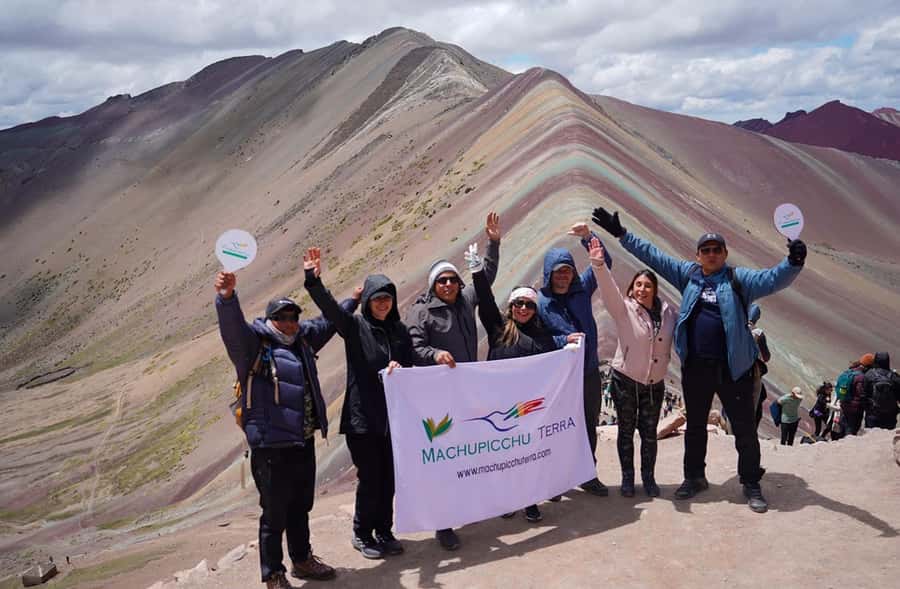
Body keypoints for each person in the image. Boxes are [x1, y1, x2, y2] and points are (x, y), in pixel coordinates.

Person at [592, 206, 805, 513]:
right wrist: (622, 234)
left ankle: (751, 483)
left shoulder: (739, 280)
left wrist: (794, 261)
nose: (711, 254)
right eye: (705, 250)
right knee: (694, 427)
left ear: (725, 253)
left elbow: (773, 279)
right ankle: (694, 477)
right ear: (698, 256)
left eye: (717, 249)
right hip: (696, 368)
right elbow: (653, 256)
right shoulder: (688, 275)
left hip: (734, 369)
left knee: (744, 429)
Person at [215, 271, 358, 588]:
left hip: (302, 441)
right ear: (270, 319)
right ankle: (273, 573)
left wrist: (354, 300)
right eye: (281, 317)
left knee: (300, 505)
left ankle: (302, 559)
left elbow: (327, 323)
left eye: (293, 316)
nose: (289, 322)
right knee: (274, 512)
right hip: (270, 446)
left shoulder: (303, 340)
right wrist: (227, 299)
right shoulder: (253, 346)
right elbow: (233, 331)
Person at [303, 247, 413, 560]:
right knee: (371, 478)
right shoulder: (354, 327)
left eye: (387, 298)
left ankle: (384, 531)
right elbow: (329, 308)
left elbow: (410, 363)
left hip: (392, 421)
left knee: (390, 477)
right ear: (367, 302)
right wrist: (313, 279)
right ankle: (362, 533)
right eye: (377, 298)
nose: (383, 304)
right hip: (362, 419)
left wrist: (401, 369)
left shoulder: (400, 332)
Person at [406, 211, 501, 551]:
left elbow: (485, 279)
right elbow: (414, 346)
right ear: (433, 285)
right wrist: (435, 355)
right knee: (444, 458)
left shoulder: (465, 302)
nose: (448, 285)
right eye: (442, 281)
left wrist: (493, 243)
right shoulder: (420, 312)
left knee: (467, 452)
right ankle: (443, 523)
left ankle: (467, 505)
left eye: (452, 280)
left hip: (466, 393)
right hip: (438, 398)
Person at [464, 241, 579, 522]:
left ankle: (529, 501)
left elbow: (553, 345)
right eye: (519, 304)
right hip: (499, 407)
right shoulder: (498, 329)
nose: (524, 309)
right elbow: (487, 301)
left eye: (529, 304)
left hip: (527, 410)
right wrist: (478, 271)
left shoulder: (540, 336)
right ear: (511, 306)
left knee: (528, 456)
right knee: (503, 457)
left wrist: (568, 341)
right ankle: (506, 500)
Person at [589, 237, 677, 497]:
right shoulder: (624, 309)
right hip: (625, 380)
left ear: (655, 289)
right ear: (631, 288)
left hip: (654, 384)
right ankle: (628, 479)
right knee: (626, 431)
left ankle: (648, 479)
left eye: (647, 285)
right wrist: (598, 265)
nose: (642, 289)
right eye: (638, 285)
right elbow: (608, 291)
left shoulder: (668, 313)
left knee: (649, 433)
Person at [537, 223, 613, 497]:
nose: (563, 277)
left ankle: (587, 473)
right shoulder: (541, 303)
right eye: (558, 272)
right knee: (558, 428)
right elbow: (540, 340)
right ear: (549, 274)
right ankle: (557, 480)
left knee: (588, 424)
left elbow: (605, 262)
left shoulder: (582, 288)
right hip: (559, 379)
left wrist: (588, 237)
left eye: (567, 271)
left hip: (588, 372)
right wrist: (562, 341)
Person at [747, 304, 772, 427]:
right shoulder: (758, 333)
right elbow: (766, 356)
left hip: (732, 367)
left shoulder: (735, 325)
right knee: (754, 399)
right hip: (752, 369)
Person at [863, 352, 900, 430]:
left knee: (871, 436)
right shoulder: (894, 376)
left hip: (873, 414)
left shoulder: (869, 375)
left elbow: (863, 394)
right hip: (890, 415)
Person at [841, 355, 873, 435]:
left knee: (844, 425)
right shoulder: (861, 377)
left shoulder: (849, 372)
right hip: (855, 408)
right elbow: (861, 394)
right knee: (851, 429)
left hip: (844, 404)